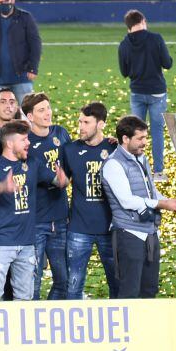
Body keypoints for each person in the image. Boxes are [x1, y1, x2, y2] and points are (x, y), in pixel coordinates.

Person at [0, 121, 69, 301]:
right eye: (24, 139)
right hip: (0, 242)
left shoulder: (32, 164)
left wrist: (62, 180)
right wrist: (2, 186)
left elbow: (59, 182)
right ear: (10, 143)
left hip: (27, 243)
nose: (28, 143)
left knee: (25, 299)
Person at [102, 117, 176, 299]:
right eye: (140, 138)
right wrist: (162, 204)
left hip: (150, 233)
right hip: (129, 234)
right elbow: (127, 201)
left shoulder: (142, 159)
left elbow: (151, 192)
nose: (145, 143)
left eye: (146, 138)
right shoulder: (113, 164)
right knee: (130, 291)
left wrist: (171, 201)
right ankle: (128, 328)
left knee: (149, 290)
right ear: (125, 139)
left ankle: (146, 327)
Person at [62, 103, 118, 299]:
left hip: (111, 229)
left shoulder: (115, 148)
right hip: (79, 228)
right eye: (79, 121)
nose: (81, 127)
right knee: (73, 285)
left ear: (101, 124)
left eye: (86, 122)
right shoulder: (69, 150)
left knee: (117, 283)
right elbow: (61, 182)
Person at [23, 93, 71, 300]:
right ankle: (31, 324)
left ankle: (50, 314)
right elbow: (58, 180)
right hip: (36, 221)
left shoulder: (60, 133)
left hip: (60, 219)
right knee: (33, 281)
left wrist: (106, 141)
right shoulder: (25, 142)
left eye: (48, 108)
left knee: (64, 280)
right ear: (30, 116)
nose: (48, 113)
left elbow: (76, 155)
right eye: (41, 110)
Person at [119, 9, 173, 180]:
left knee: (134, 132)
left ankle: (134, 169)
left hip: (137, 92)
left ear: (128, 27)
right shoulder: (156, 39)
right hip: (157, 92)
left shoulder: (124, 45)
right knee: (156, 132)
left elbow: (124, 72)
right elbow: (167, 63)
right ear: (142, 21)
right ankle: (158, 172)